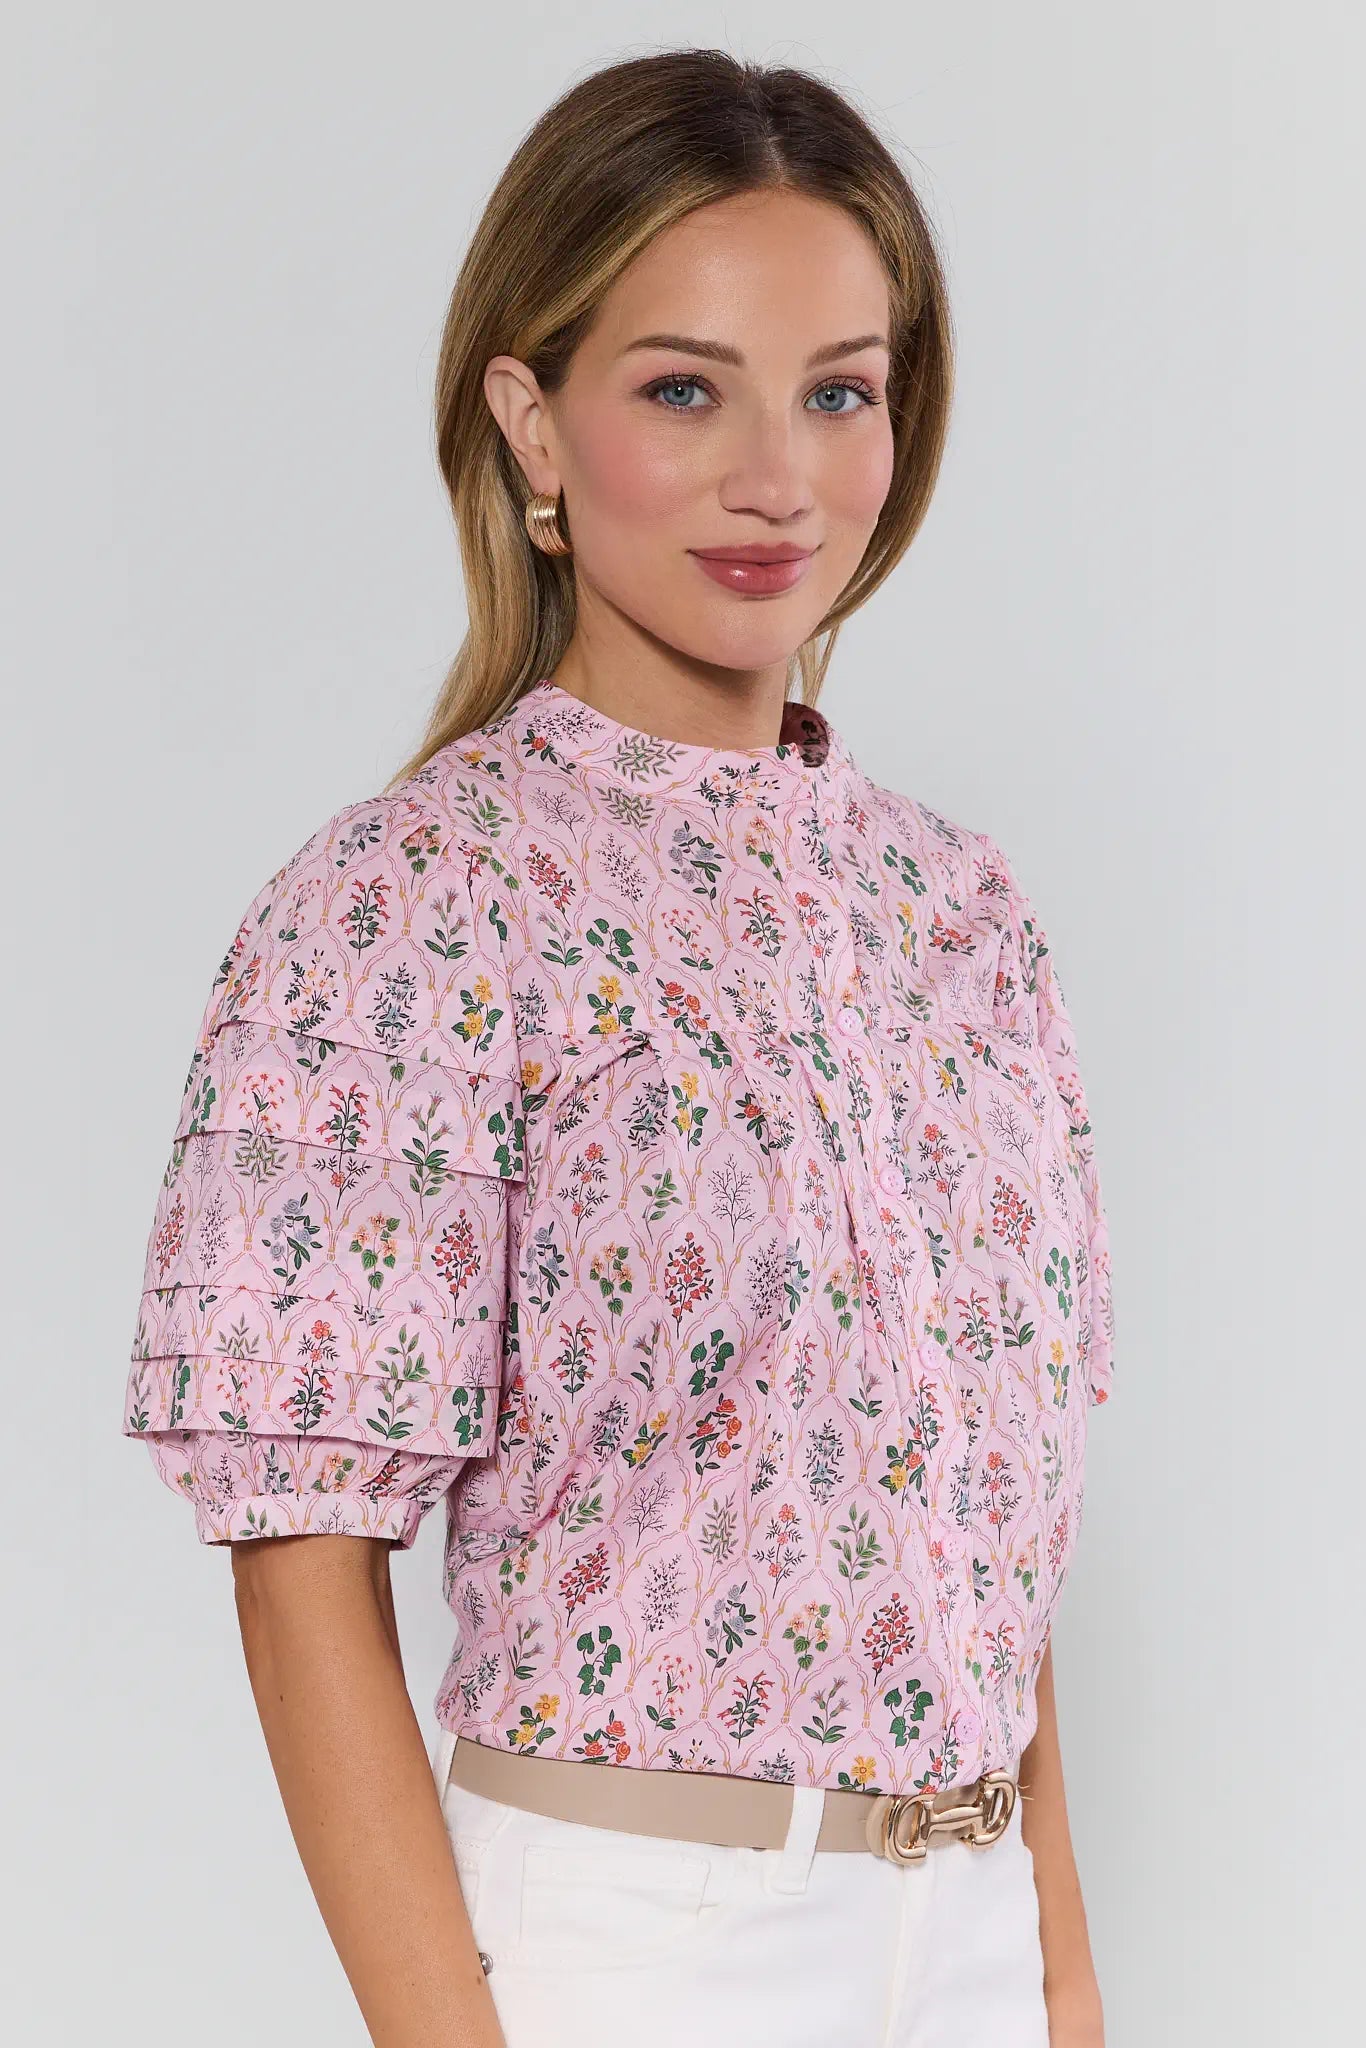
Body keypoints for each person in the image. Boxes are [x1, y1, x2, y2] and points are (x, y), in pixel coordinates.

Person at [120, 47, 1113, 2048]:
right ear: (531, 423)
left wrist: (1061, 1991)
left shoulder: (959, 914)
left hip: (973, 1936)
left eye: (838, 390)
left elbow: (985, 1541)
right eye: (682, 389)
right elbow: (302, 1571)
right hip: (642, 1953)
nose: (778, 478)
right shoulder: (411, 906)